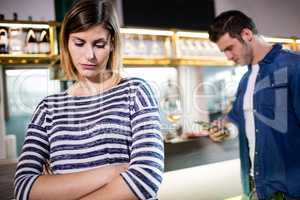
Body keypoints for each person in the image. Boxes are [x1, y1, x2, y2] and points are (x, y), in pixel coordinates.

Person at [14, 0, 164, 199]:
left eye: (99, 44)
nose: (89, 55)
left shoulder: (136, 92)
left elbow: (146, 177)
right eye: (79, 43)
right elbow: (24, 187)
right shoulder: (48, 109)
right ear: (66, 42)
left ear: (112, 44)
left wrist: (56, 187)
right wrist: (113, 172)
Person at [200, 10, 300, 200]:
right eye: (223, 52)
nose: (228, 56)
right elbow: (236, 119)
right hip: (255, 190)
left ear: (247, 34)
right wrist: (225, 129)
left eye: (230, 48)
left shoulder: (294, 66)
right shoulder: (245, 80)